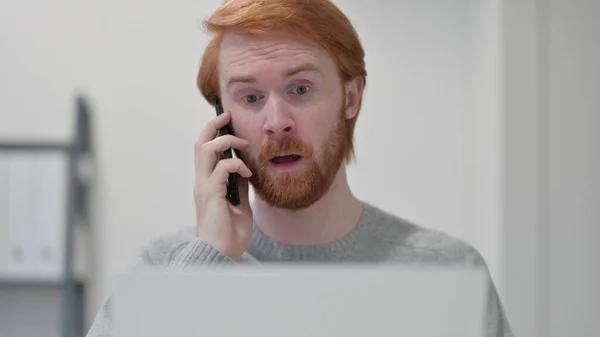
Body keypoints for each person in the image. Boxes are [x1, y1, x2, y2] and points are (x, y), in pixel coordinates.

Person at [85, 0, 514, 336]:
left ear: (351, 97)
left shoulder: (445, 272)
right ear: (222, 115)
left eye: (301, 88)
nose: (276, 121)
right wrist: (208, 260)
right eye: (250, 97)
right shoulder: (168, 270)